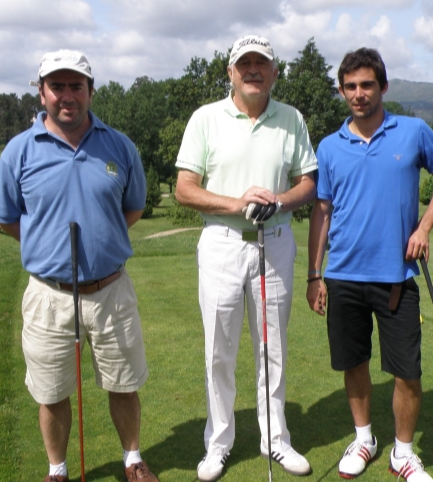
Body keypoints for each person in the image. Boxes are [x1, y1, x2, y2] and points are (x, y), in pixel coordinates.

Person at [0, 49, 159, 482]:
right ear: (42, 91)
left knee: (123, 383)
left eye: (76, 86)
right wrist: (45, 247)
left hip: (110, 289)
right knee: (51, 391)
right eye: (58, 86)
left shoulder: (118, 146)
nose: (68, 95)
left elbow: (133, 209)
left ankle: (132, 459)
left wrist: (102, 240)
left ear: (90, 91)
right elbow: (7, 217)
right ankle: (57, 469)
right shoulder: (19, 151)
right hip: (50, 294)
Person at [307, 48, 433, 481]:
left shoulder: (413, 132)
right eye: (350, 86)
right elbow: (323, 211)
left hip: (397, 276)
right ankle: (365, 438)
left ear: (383, 87)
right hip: (343, 276)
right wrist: (314, 275)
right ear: (342, 91)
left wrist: (424, 227)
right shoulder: (330, 146)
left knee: (407, 371)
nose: (358, 94)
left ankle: (403, 454)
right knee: (353, 363)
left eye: (367, 85)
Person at [175, 35, 317, 482]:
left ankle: (275, 439)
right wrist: (238, 203)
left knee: (272, 348)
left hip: (274, 241)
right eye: (245, 64)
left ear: (275, 72)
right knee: (218, 350)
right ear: (231, 72)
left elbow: (308, 183)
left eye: (262, 64)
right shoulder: (205, 118)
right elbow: (185, 189)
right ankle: (218, 445)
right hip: (221, 243)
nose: (253, 70)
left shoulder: (291, 119)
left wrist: (278, 200)